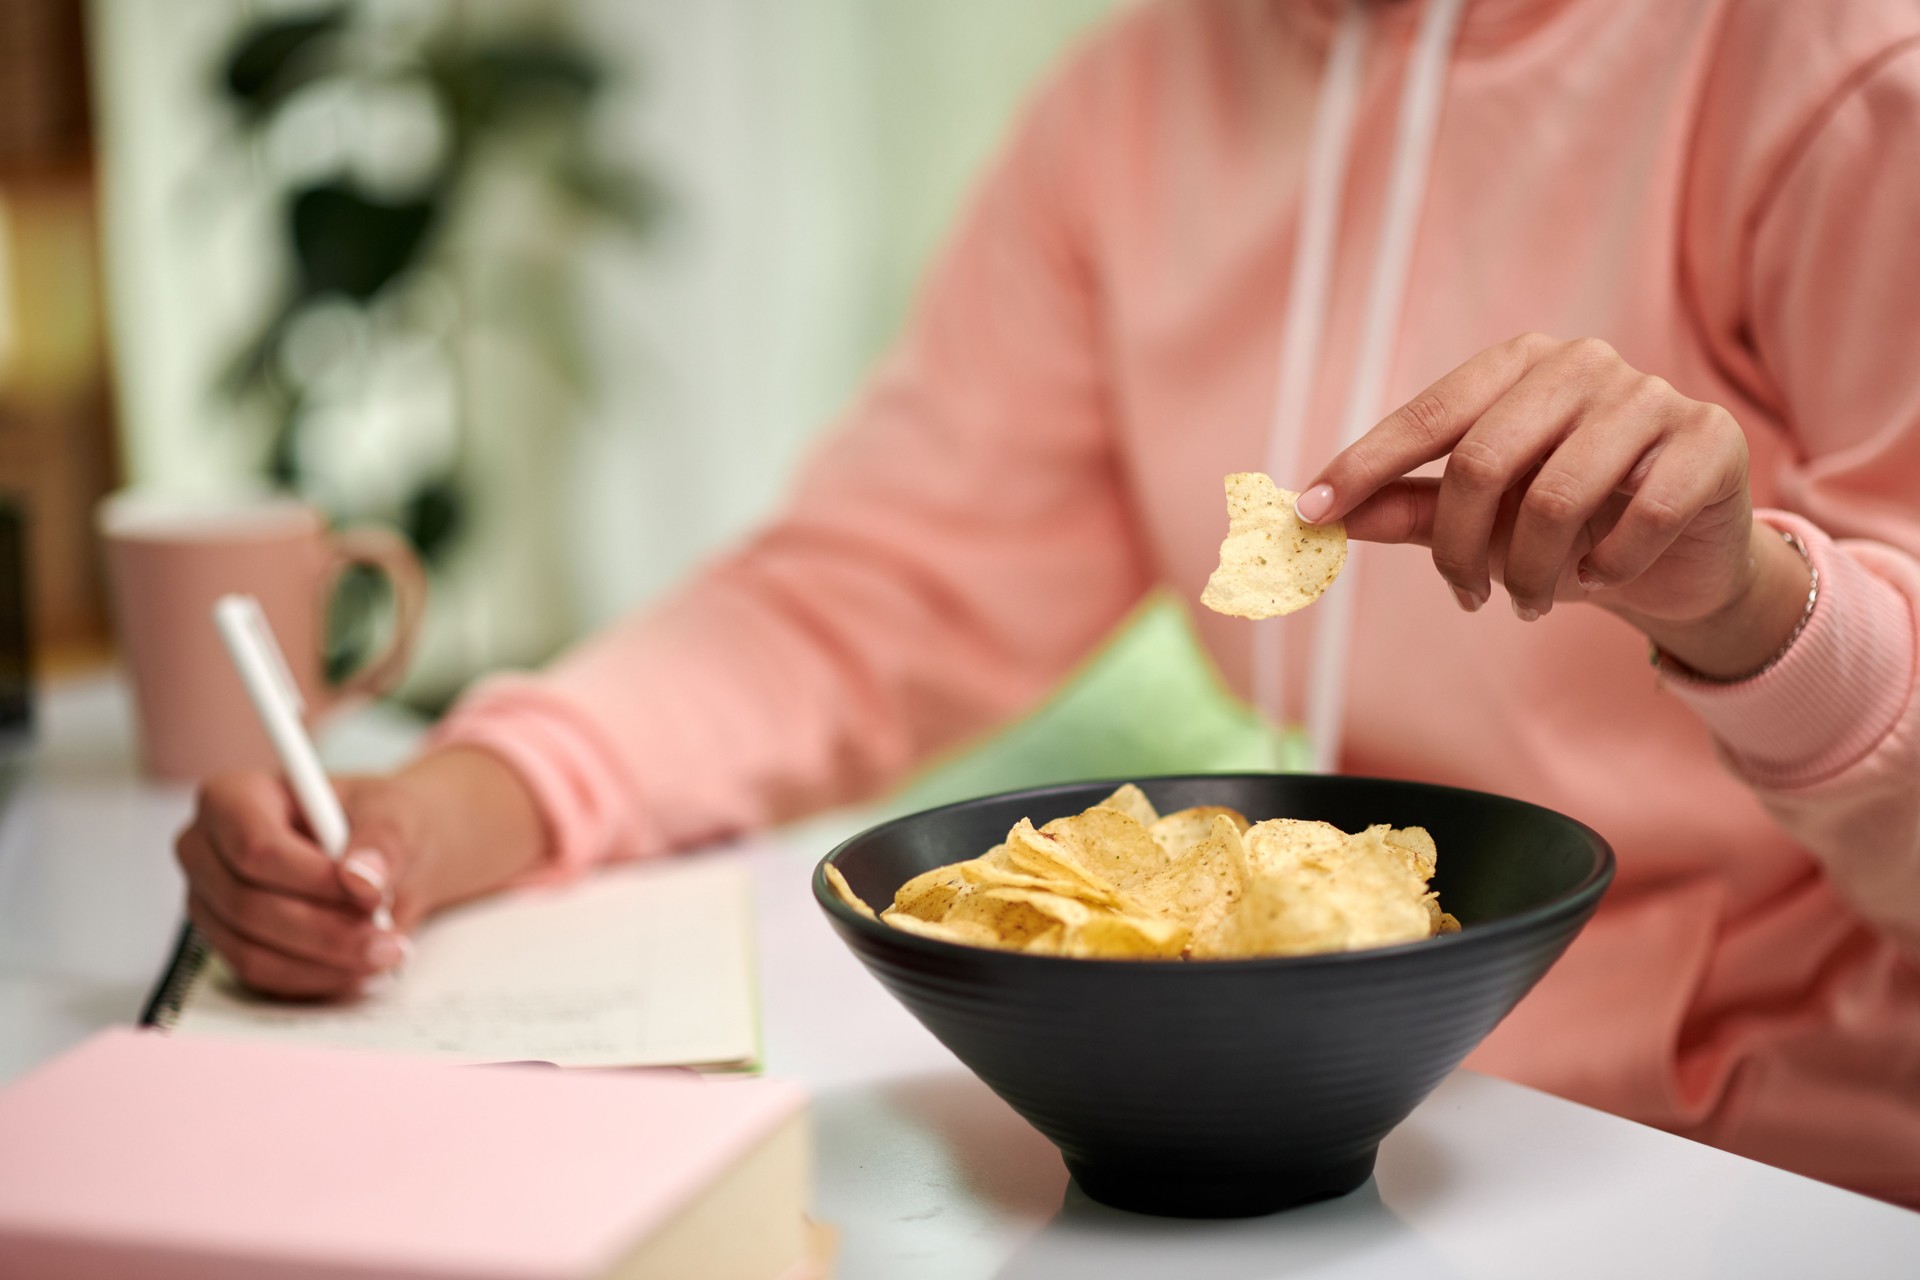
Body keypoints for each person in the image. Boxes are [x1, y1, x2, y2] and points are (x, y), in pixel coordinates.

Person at [173, 0, 1920, 1205]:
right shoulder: (1136, 108)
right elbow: (864, 597)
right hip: (1334, 1129)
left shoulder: (1840, 73)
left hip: (1773, 1173)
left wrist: (1748, 608)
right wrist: (435, 815)